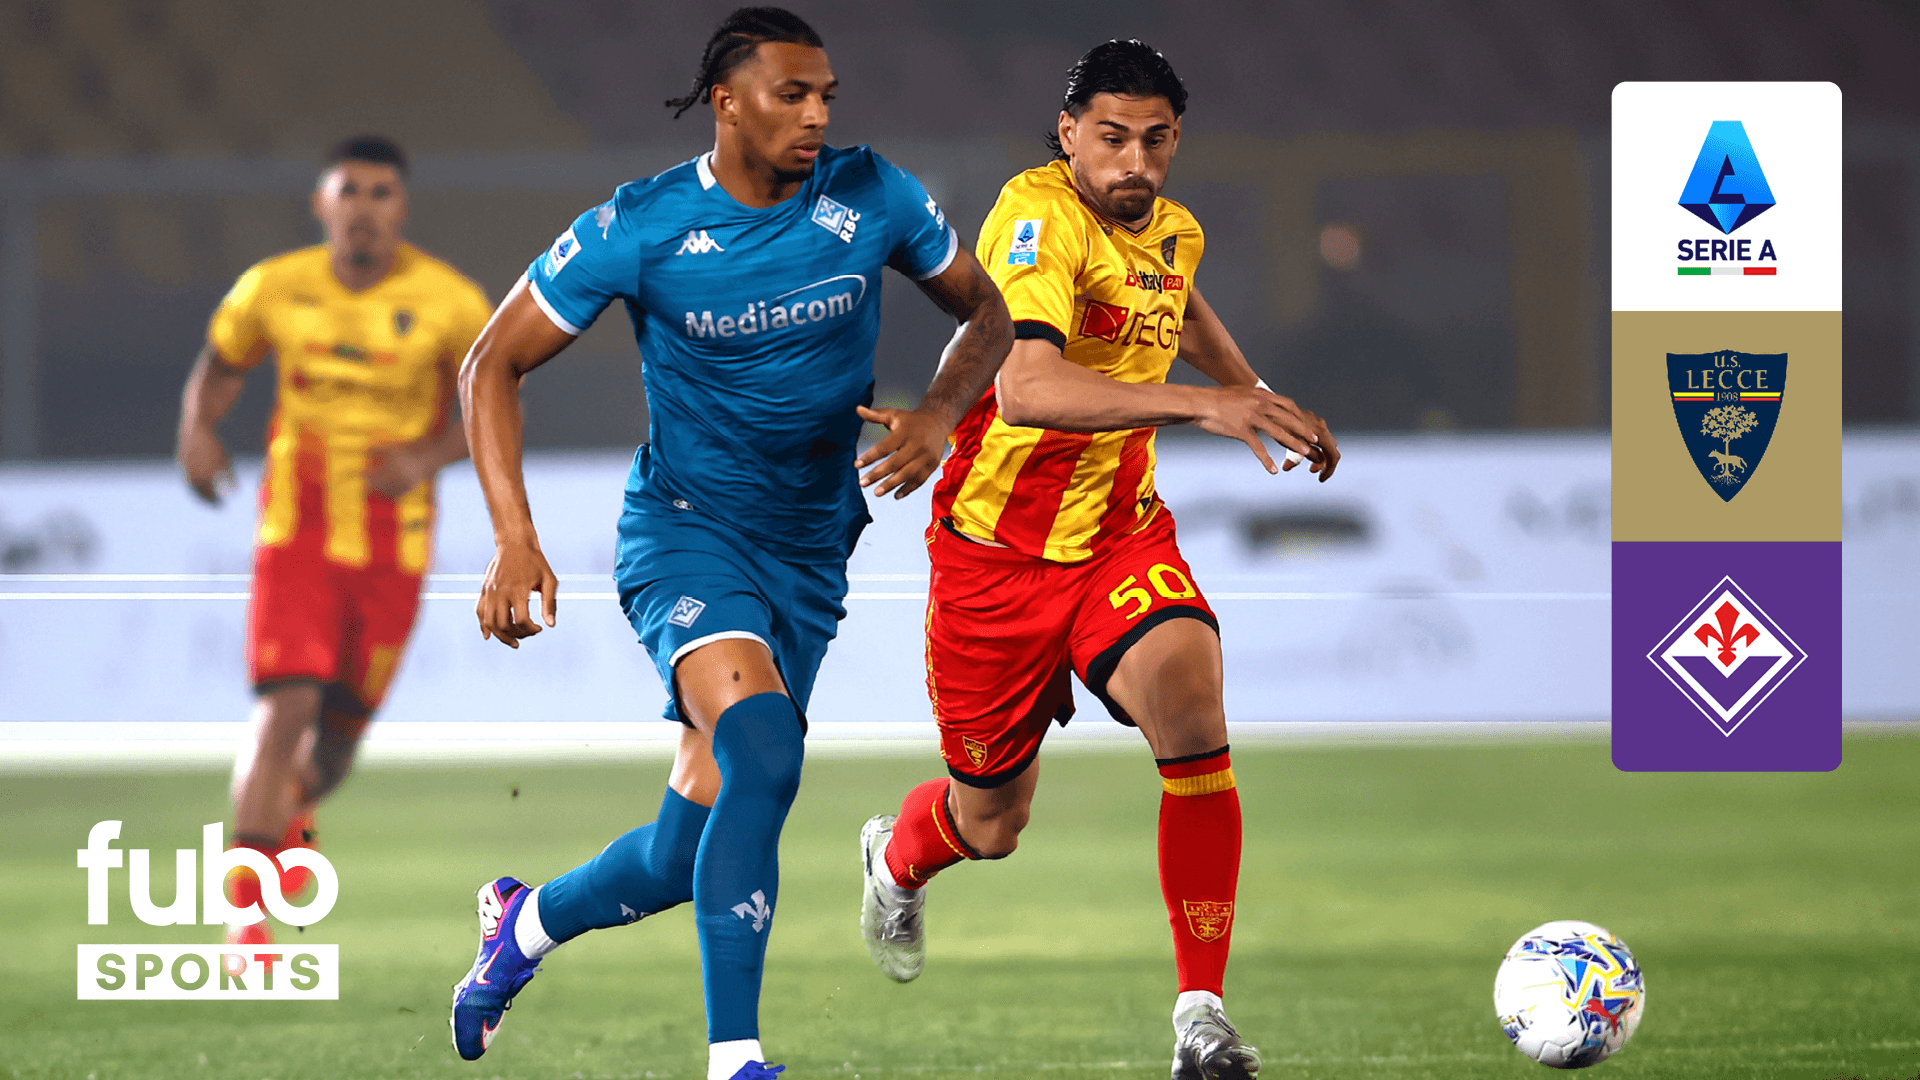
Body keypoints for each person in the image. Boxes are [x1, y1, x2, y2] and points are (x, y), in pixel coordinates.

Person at [445, 9, 1011, 1079]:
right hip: (686, 534)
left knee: (681, 855)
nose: (817, 115)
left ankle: (522, 925)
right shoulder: (641, 225)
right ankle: (736, 1059)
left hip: (810, 553)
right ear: (727, 102)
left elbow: (987, 315)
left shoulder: (875, 196)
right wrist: (514, 537)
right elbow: (490, 364)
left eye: (826, 96)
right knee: (766, 751)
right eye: (792, 95)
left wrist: (941, 411)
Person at [856, 39, 1340, 1080]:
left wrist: (1257, 395)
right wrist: (1207, 406)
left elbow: (1181, 304)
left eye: (1156, 141)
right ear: (1069, 133)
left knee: (1192, 706)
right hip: (995, 558)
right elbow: (1027, 388)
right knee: (991, 823)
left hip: (1120, 536)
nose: (1136, 162)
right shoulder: (1036, 217)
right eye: (1113, 138)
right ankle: (896, 857)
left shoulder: (1174, 230)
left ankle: (1201, 1016)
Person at [176, 136, 487, 951]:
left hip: (394, 548)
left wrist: (423, 458)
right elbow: (222, 364)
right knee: (285, 709)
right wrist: (197, 430)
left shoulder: (449, 301)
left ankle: (286, 810)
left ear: (402, 207)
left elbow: (492, 403)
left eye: (381, 193)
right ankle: (246, 916)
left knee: (337, 749)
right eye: (349, 191)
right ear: (322, 204)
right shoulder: (274, 287)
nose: (364, 208)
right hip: (297, 537)